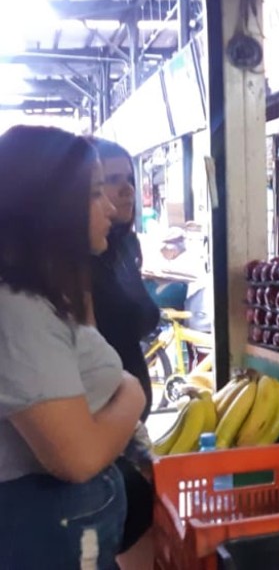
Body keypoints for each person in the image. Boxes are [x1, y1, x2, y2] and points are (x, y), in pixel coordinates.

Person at [0, 126, 146, 569]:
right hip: (45, 534)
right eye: (95, 193)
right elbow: (77, 459)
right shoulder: (18, 310)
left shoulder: (43, 294)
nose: (109, 206)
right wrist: (133, 392)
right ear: (49, 205)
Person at [91, 138, 160, 568]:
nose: (125, 190)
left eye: (129, 179)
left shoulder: (122, 250)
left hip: (128, 421)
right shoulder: (79, 263)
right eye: (109, 182)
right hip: (102, 422)